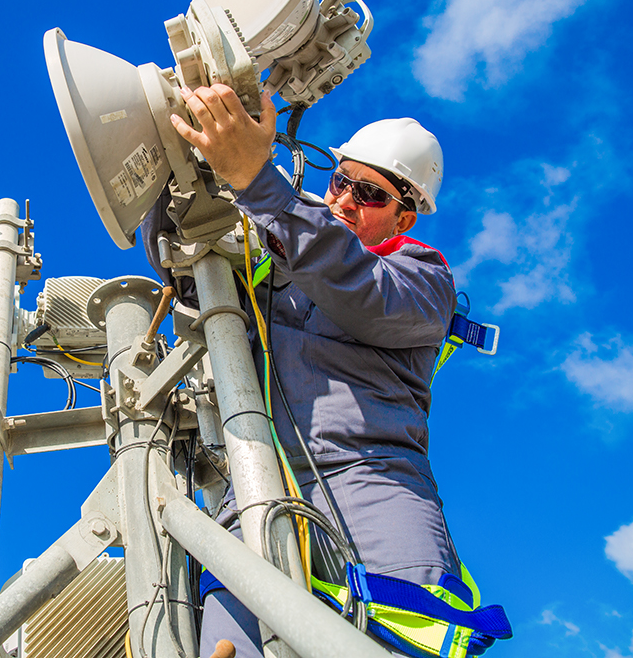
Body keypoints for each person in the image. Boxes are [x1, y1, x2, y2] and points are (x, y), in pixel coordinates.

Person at [142, 83, 473, 658]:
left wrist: (258, 183)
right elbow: (186, 261)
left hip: (371, 489)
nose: (343, 199)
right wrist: (185, 168)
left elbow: (359, 288)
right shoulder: (276, 257)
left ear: (405, 213)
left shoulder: (422, 280)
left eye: (368, 192)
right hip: (251, 493)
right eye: (340, 180)